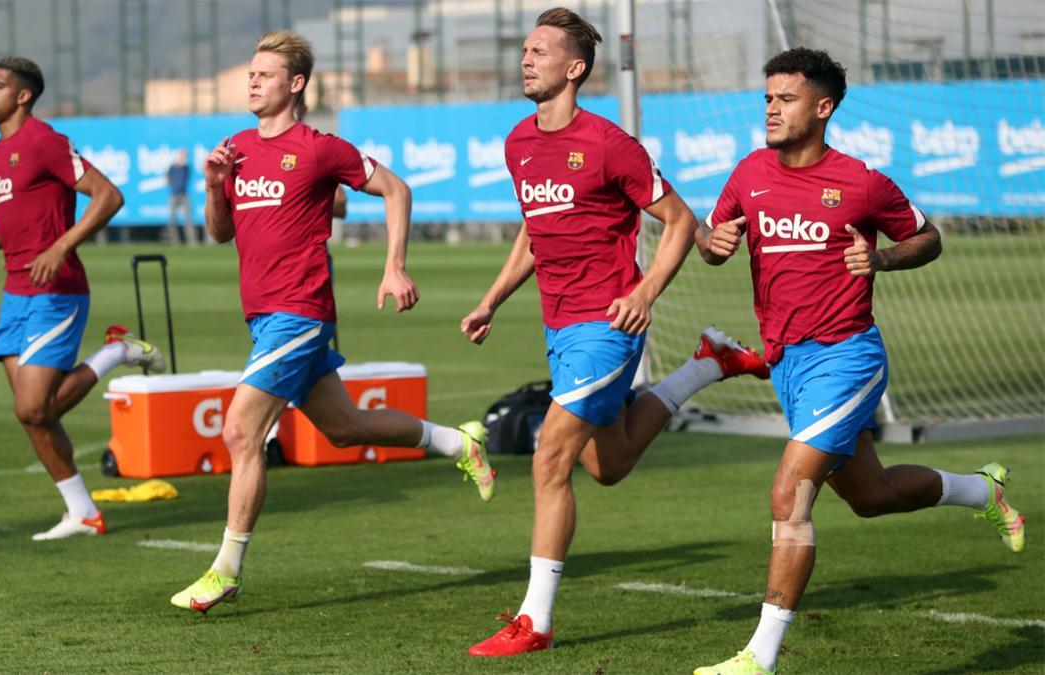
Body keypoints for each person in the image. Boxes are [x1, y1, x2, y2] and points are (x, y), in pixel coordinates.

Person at [692, 47, 1025, 675]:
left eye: (785, 99)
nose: (771, 109)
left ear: (823, 107)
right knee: (870, 496)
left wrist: (881, 260)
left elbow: (927, 237)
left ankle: (758, 658)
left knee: (790, 492)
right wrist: (714, 244)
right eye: (767, 98)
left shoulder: (861, 181)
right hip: (789, 367)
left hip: (848, 357)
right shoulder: (748, 174)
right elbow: (712, 246)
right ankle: (984, 489)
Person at [461, 8, 770, 657]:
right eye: (525, 49)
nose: (526, 59)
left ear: (574, 67)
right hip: (559, 326)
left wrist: (643, 292)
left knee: (550, 456)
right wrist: (491, 298)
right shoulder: (518, 142)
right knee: (609, 462)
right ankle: (708, 362)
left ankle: (535, 621)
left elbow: (680, 221)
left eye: (540, 51)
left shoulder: (608, 144)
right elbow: (534, 233)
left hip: (607, 325)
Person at [169, 30, 496, 614]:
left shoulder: (319, 149)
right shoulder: (238, 147)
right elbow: (222, 233)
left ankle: (225, 571)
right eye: (250, 73)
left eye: (264, 75)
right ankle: (457, 440)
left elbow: (397, 188)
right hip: (265, 316)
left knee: (242, 431)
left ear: (295, 84)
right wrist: (216, 183)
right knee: (344, 428)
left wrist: (394, 267)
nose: (252, 82)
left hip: (300, 313)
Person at [0, 57, 166, 541]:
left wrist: (62, 245)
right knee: (35, 416)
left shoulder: (44, 141)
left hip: (57, 291)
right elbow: (16, 231)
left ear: (23, 96)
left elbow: (109, 195)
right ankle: (83, 512)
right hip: (15, 293)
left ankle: (118, 350)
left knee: (32, 408)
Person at [165, 149, 199, 246]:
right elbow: (167, 178)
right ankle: (174, 241)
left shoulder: (186, 168)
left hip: (184, 195)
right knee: (172, 219)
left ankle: (191, 240)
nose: (183, 158)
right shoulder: (172, 168)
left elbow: (186, 175)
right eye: (181, 156)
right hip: (174, 195)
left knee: (188, 219)